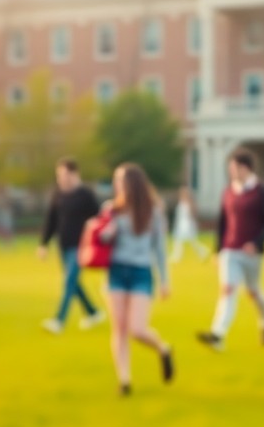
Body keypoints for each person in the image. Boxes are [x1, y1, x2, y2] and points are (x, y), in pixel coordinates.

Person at [97, 163, 174, 396]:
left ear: (133, 184)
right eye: (115, 180)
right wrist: (107, 232)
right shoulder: (111, 209)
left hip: (141, 272)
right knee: (119, 328)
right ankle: (125, 380)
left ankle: (163, 348)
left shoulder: (153, 211)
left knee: (137, 329)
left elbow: (160, 249)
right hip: (116, 271)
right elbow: (99, 237)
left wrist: (165, 281)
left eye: (120, 180)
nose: (116, 185)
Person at [197, 149, 264, 351]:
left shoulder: (261, 191)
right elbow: (223, 223)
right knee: (228, 289)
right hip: (230, 249)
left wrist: (257, 242)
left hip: (252, 252)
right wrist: (217, 250)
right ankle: (218, 334)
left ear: (246, 168)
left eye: (234, 168)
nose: (232, 172)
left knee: (253, 291)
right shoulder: (228, 192)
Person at [38, 158, 106, 334]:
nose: (62, 179)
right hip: (63, 245)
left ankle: (59, 321)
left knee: (68, 282)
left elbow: (98, 220)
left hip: (81, 246)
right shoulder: (58, 194)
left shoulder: (85, 195)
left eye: (65, 175)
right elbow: (51, 220)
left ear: (75, 174)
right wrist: (43, 244)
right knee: (73, 283)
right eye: (59, 175)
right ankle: (93, 312)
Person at [169, 188, 210, 263]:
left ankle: (203, 253)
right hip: (181, 225)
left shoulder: (189, 204)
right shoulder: (180, 203)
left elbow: (192, 215)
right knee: (178, 242)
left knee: (193, 243)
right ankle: (176, 257)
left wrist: (192, 224)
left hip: (187, 226)